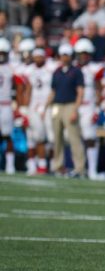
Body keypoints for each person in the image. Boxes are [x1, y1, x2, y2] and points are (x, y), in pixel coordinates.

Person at [48, 44, 85, 177]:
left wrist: (75, 109)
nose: (64, 57)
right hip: (57, 106)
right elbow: (53, 91)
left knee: (74, 137)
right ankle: (58, 166)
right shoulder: (57, 72)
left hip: (70, 105)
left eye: (66, 55)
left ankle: (79, 168)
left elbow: (80, 92)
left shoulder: (76, 72)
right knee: (57, 138)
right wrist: (46, 107)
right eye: (62, 55)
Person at [74, 38, 105, 180]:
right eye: (81, 54)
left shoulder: (94, 68)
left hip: (88, 106)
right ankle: (79, 168)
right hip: (74, 106)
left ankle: (92, 170)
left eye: (85, 54)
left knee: (90, 138)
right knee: (75, 138)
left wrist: (97, 109)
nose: (83, 57)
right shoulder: (73, 69)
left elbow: (99, 89)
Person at [21, 47, 57, 175]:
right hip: (34, 106)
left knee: (52, 137)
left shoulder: (51, 68)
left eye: (40, 56)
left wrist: (47, 105)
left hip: (48, 106)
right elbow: (27, 90)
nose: (38, 59)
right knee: (35, 136)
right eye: (36, 56)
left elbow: (54, 88)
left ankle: (52, 163)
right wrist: (25, 108)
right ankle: (38, 164)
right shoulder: (29, 70)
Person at [0, 38, 29, 174]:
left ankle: (10, 165)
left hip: (6, 104)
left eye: (2, 53)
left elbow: (19, 86)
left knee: (8, 135)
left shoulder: (11, 67)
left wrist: (18, 105)